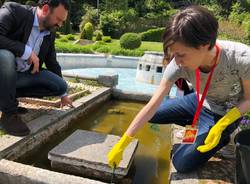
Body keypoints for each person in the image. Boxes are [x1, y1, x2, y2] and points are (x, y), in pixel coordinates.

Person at [107, 5, 250, 173]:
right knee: (155, 114)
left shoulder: (241, 58)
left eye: (181, 54)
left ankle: (225, 137)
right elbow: (151, 105)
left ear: (204, 44)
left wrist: (223, 124)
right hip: (199, 100)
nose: (176, 61)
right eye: (174, 54)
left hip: (224, 113)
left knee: (181, 163)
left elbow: (248, 99)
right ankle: (198, 129)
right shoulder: (178, 64)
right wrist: (124, 141)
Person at [0, 0, 73, 137]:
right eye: (58, 19)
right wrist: (24, 50)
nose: (60, 25)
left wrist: (63, 95)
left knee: (60, 86)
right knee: (4, 56)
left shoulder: (49, 33)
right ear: (45, 9)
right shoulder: (14, 11)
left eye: (62, 21)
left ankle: (7, 99)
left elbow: (52, 62)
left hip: (19, 76)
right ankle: (8, 114)